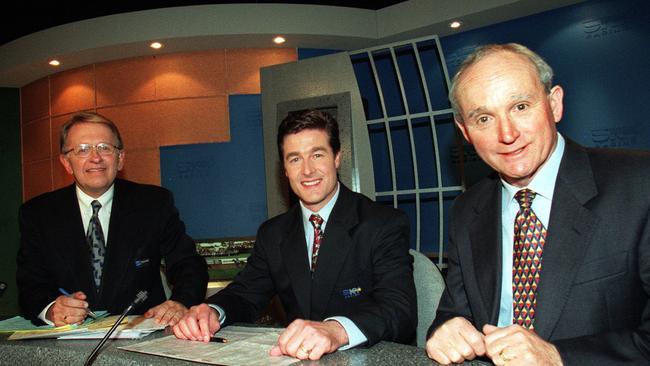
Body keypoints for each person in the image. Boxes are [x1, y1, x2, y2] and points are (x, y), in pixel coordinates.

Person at [425, 43, 650, 365]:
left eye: (520, 107)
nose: (506, 134)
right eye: (484, 118)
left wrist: (560, 357)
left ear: (554, 104)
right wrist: (446, 329)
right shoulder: (467, 209)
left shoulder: (640, 185)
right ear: (465, 132)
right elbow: (454, 312)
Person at [172, 109, 417, 360]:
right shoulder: (273, 233)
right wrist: (212, 310)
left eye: (317, 155)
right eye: (295, 159)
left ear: (337, 158)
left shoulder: (382, 223)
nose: (307, 170)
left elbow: (400, 310)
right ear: (285, 170)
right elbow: (245, 294)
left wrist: (337, 330)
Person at [17, 112, 208, 327]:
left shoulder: (154, 203)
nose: (95, 157)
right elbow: (30, 285)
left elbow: (188, 264)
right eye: (82, 150)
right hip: (67, 339)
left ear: (120, 159)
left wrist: (180, 302)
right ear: (66, 163)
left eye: (104, 147)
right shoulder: (37, 214)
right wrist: (51, 309)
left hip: (142, 334)